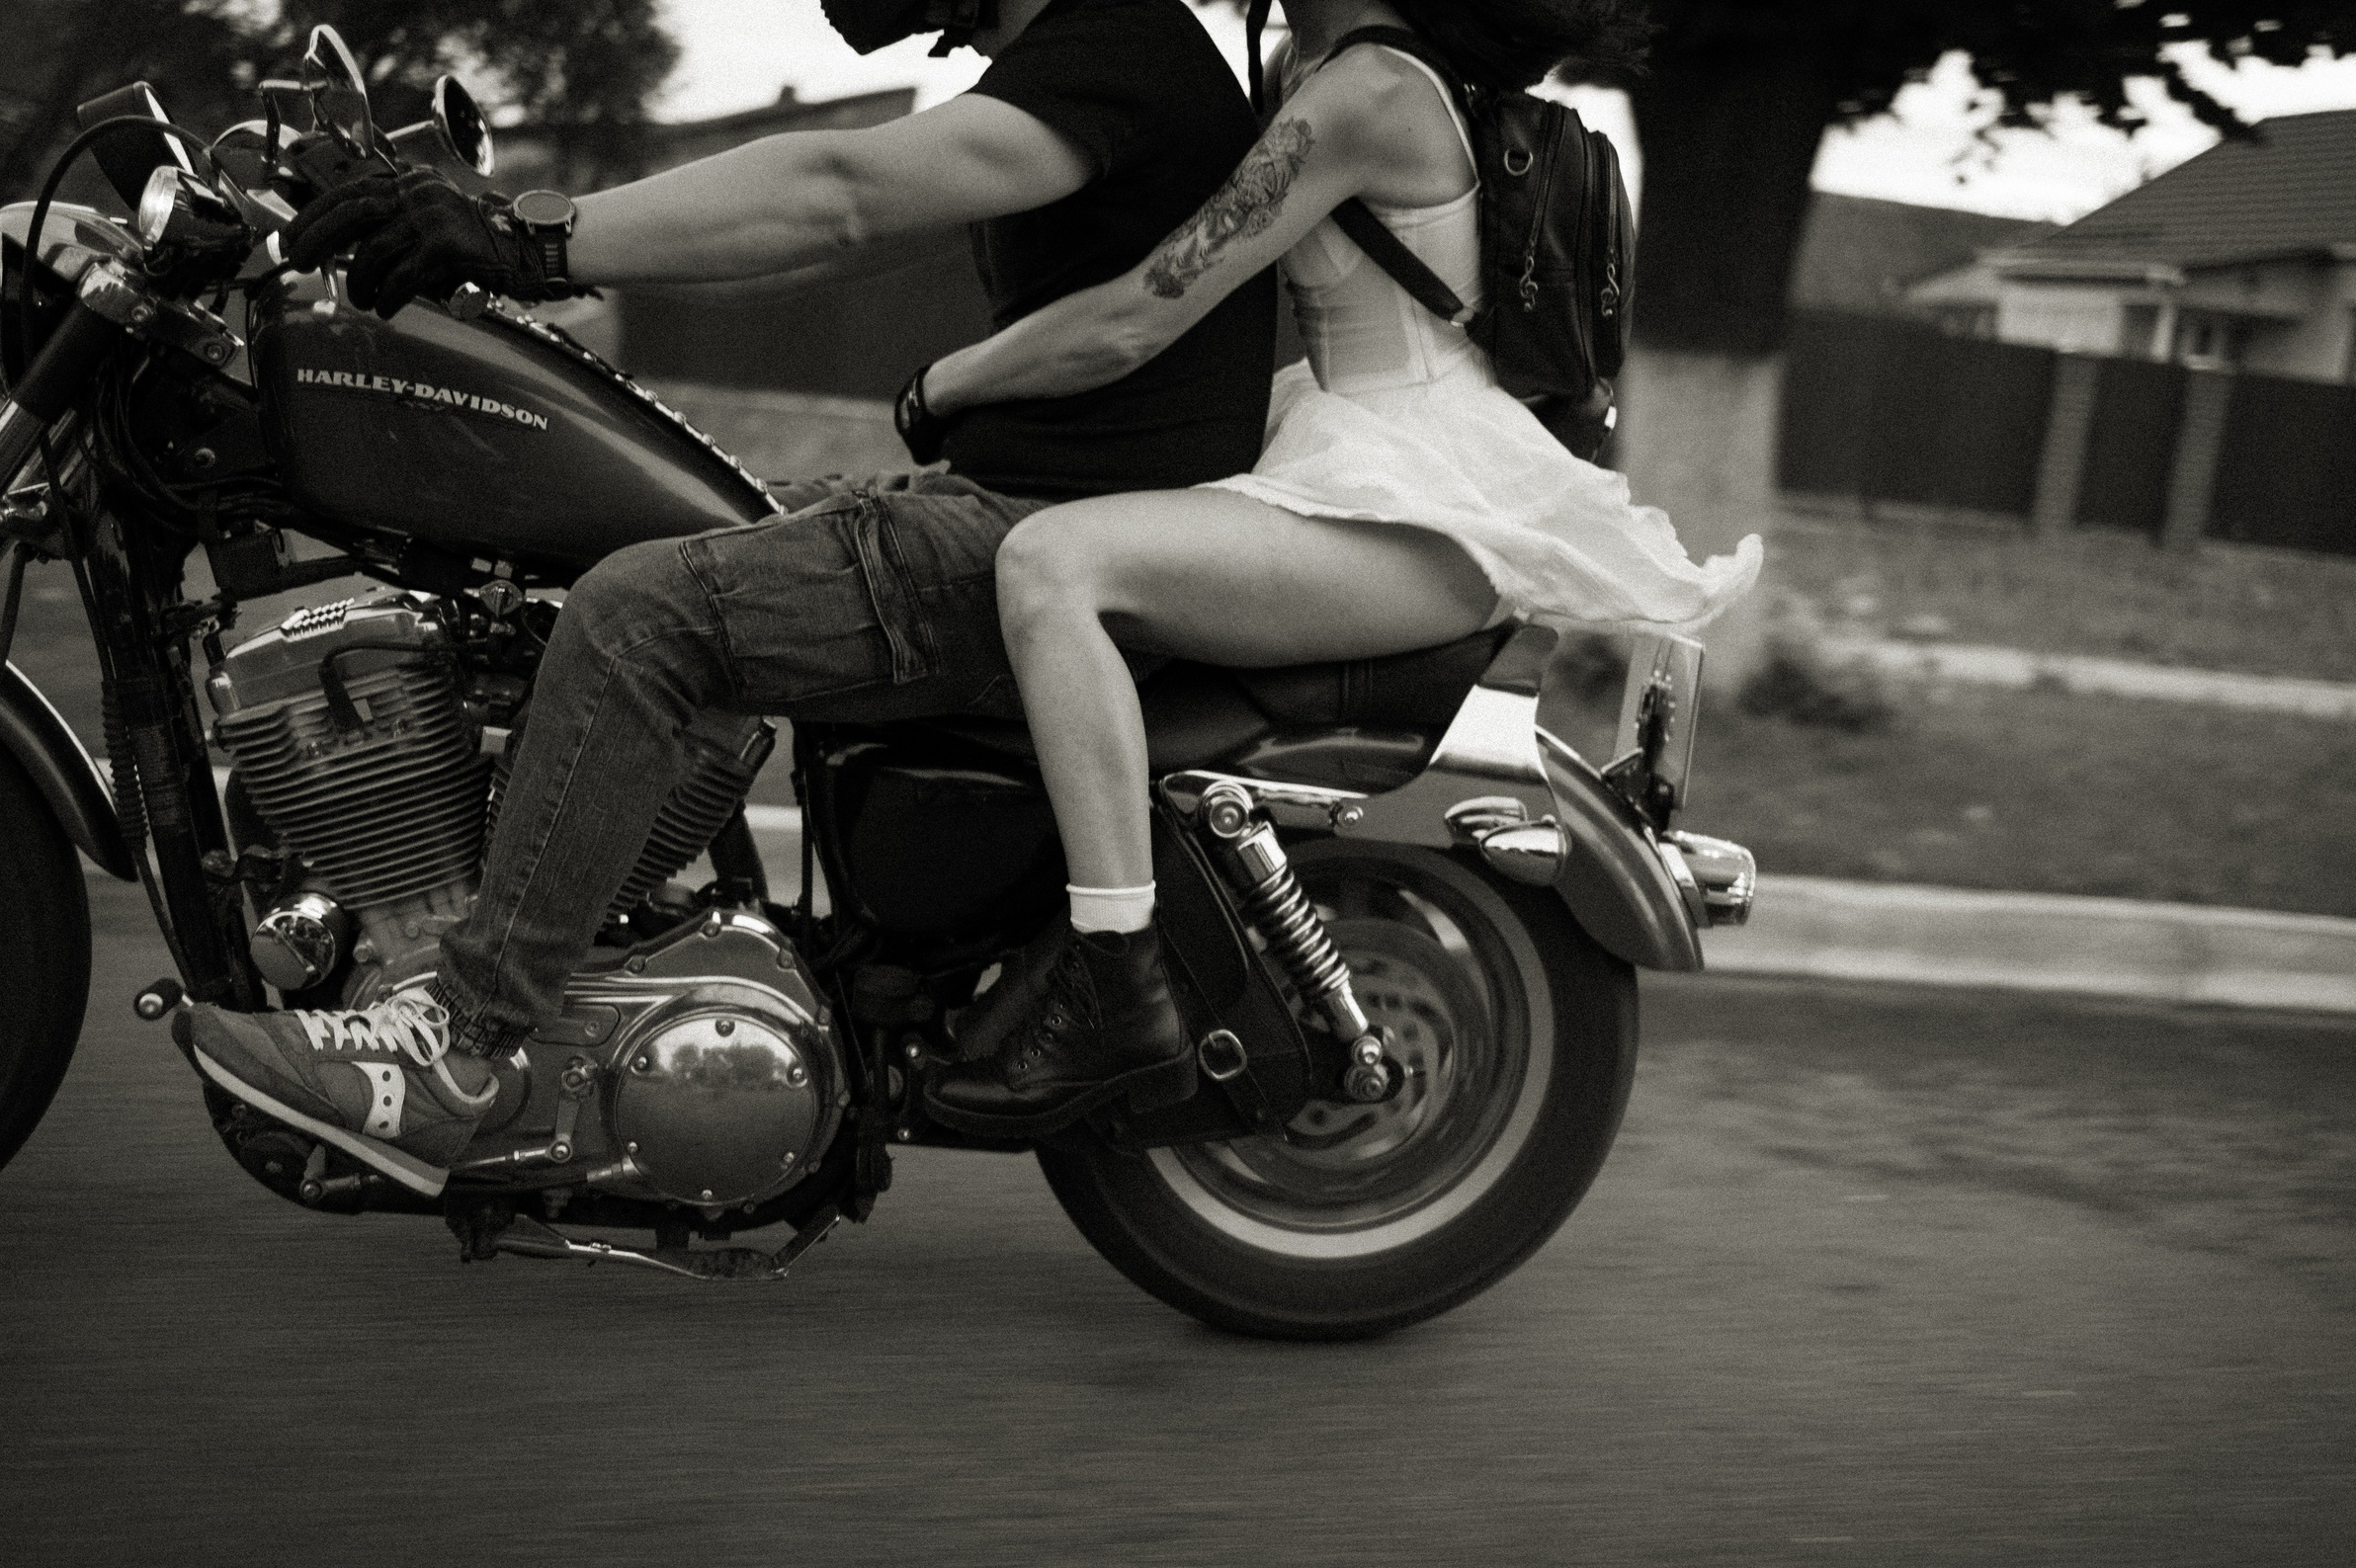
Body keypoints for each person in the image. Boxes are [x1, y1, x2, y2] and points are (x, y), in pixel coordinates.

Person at [176, 0, 1280, 1198]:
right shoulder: (1089, 57)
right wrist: (512, 249)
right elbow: (845, 228)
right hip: (1011, 499)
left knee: (637, 613)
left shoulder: (1120, 49)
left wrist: (531, 236)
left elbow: (838, 190)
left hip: (1034, 535)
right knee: (639, 522)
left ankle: (459, 1053)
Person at [914, 0, 1760, 1135]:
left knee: (1053, 566)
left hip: (1419, 504)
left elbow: (1140, 316)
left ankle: (1115, 979)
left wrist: (945, 386)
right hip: (1354, 451)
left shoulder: (1364, 94)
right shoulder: (1312, 68)